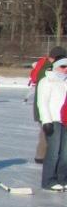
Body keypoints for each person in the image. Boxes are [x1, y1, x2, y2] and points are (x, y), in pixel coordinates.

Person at [36, 57, 67, 191]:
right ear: (55, 66)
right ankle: (48, 180)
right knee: (53, 152)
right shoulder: (46, 81)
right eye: (63, 66)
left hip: (65, 120)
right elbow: (42, 103)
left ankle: (62, 179)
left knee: (65, 153)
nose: (65, 69)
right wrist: (46, 121)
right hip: (53, 120)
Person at [31, 46, 66, 163]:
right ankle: (42, 157)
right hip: (47, 109)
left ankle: (42, 156)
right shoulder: (48, 68)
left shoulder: (46, 65)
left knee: (46, 134)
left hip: (52, 109)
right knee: (48, 134)